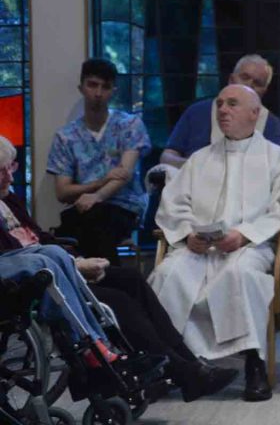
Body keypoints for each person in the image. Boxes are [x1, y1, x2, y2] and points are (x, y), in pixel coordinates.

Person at [0, 138, 238, 402]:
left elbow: (41, 237)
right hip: (38, 283)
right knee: (118, 302)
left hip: (61, 267)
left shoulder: (8, 199)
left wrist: (77, 259)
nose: (10, 175)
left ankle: (190, 363)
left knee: (132, 279)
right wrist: (76, 265)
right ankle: (183, 372)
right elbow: (14, 258)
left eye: (11, 167)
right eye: (3, 170)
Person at [149, 84, 280, 402]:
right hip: (198, 250)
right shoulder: (199, 159)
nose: (223, 110)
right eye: (220, 104)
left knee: (241, 275)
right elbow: (174, 205)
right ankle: (174, 365)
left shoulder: (278, 159)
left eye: (232, 104)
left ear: (254, 113)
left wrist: (245, 234)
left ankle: (254, 363)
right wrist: (187, 234)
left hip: (250, 248)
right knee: (167, 275)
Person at [46, 58, 150, 262]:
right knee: (83, 222)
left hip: (124, 206)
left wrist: (98, 196)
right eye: (92, 85)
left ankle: (100, 283)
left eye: (105, 87)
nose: (98, 93)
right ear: (81, 88)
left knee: (92, 221)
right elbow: (62, 192)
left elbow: (124, 174)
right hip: (83, 209)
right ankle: (111, 282)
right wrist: (100, 182)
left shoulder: (129, 125)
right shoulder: (66, 136)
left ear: (113, 91)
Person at [160, 54, 280, 167]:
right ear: (231, 79)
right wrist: (194, 168)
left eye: (258, 83)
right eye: (245, 77)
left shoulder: (271, 124)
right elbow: (167, 157)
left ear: (264, 91)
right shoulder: (197, 112)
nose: (249, 85)